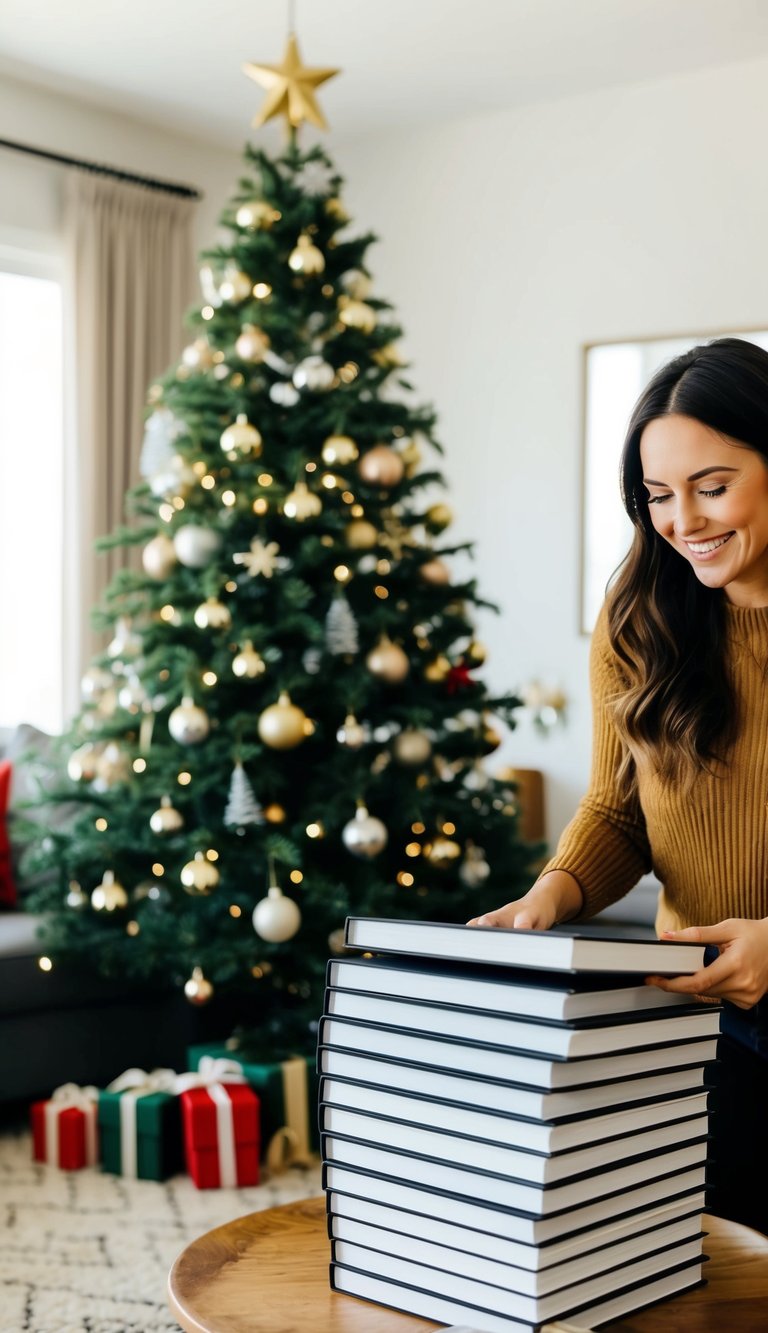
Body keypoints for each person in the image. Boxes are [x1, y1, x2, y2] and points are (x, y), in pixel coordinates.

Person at [468, 336, 768, 1234]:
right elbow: (617, 808)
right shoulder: (640, 612)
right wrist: (552, 893)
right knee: (695, 1269)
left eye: (712, 485)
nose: (683, 521)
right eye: (658, 495)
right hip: (696, 1015)